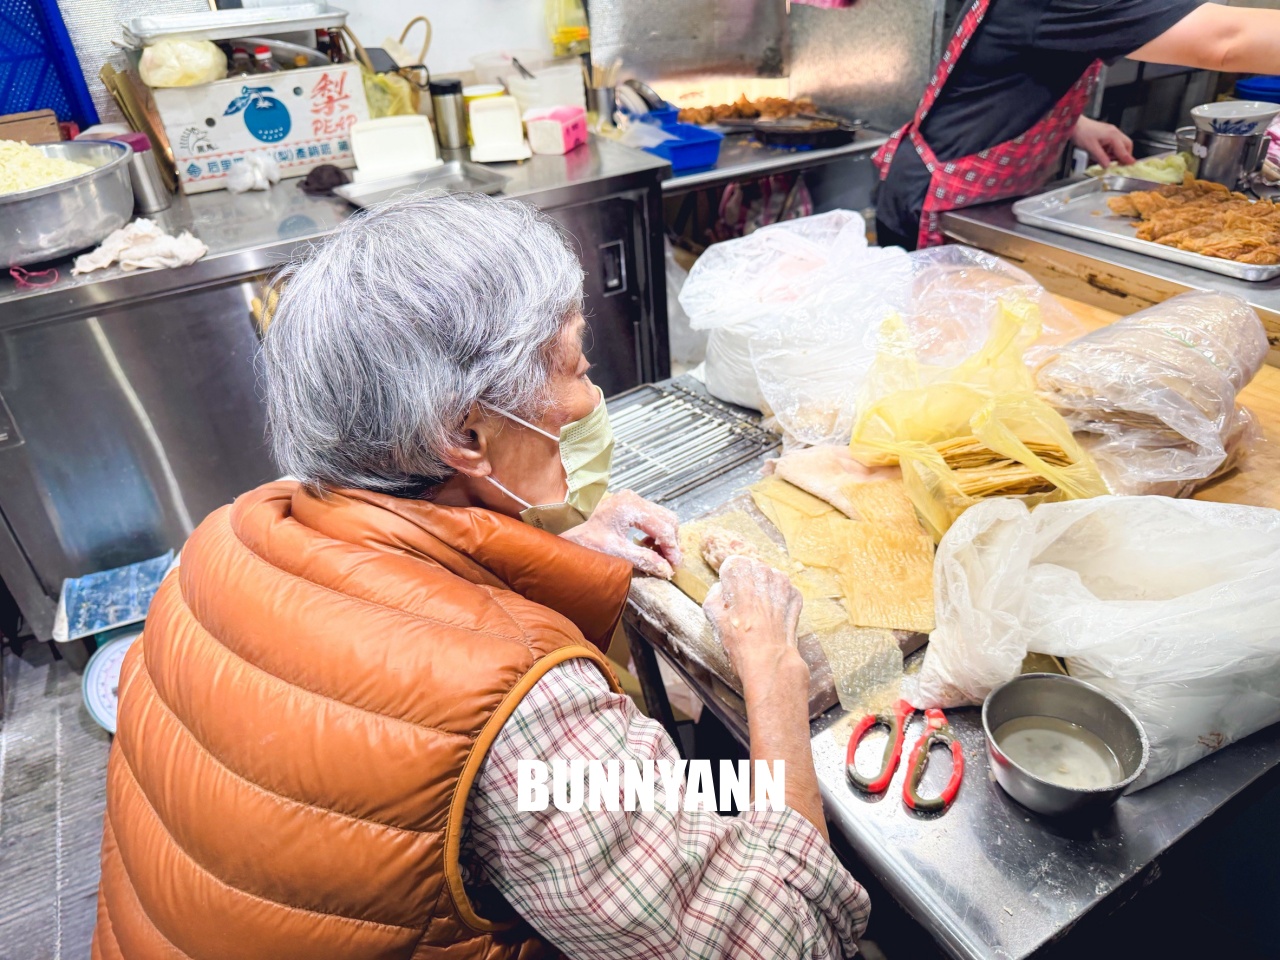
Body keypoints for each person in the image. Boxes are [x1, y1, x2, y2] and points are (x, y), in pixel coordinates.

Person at [91, 193, 870, 960]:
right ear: (466, 433)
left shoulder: (226, 538)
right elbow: (789, 940)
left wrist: (542, 539)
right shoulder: (523, 718)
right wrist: (771, 671)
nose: (593, 392)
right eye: (572, 363)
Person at [875, 0, 1280, 250]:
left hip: (976, 193)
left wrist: (1073, 122)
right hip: (940, 203)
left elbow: (1004, 67)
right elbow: (1227, 42)